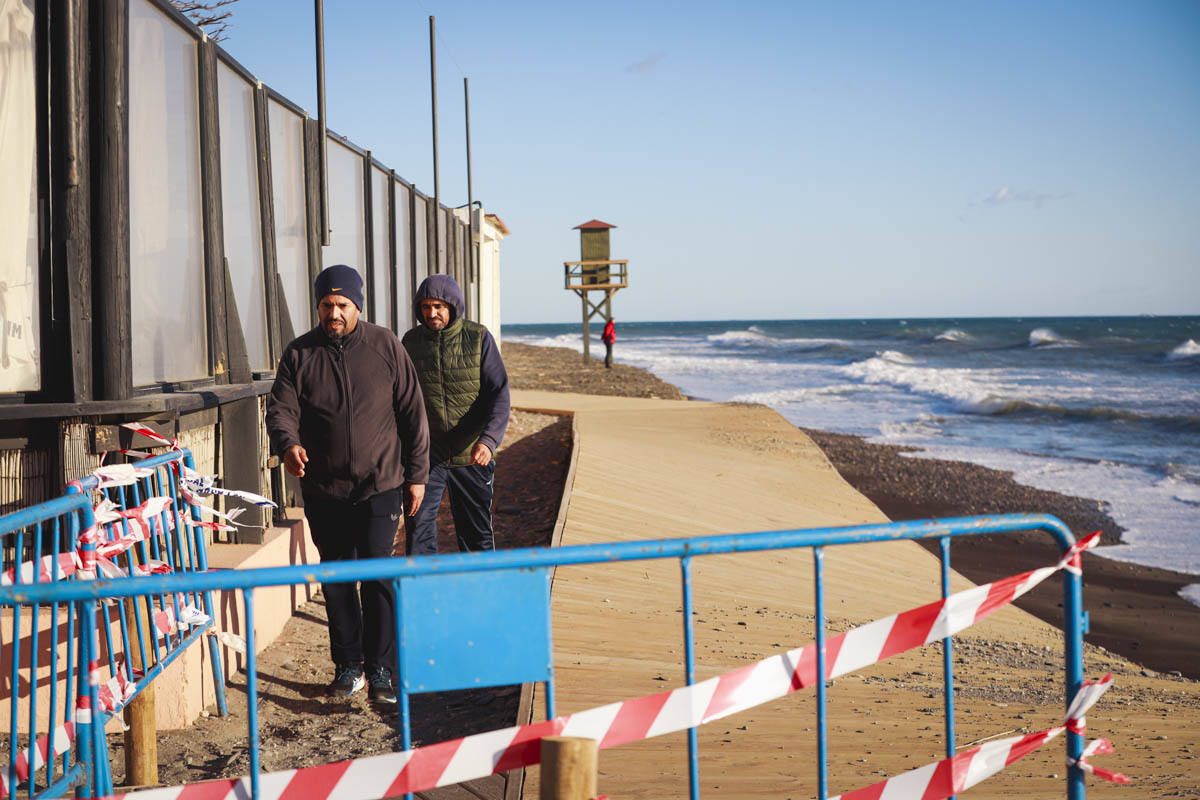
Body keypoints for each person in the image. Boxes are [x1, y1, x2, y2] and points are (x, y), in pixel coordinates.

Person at [266, 264, 429, 704]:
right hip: (325, 490)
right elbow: (281, 410)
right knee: (337, 578)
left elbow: (413, 415)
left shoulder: (385, 346)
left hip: (381, 484)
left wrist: (417, 476)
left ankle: (381, 671)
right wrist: (289, 444)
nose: (333, 312)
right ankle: (349, 666)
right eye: (326, 305)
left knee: (377, 576)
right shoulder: (299, 354)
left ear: (358, 305)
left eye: (342, 305)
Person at [402, 274, 509, 556]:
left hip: (471, 454)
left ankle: (481, 595)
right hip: (428, 456)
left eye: (438, 306)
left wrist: (488, 440)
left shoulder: (478, 338)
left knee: (477, 535)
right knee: (418, 529)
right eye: (425, 307)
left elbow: (499, 393)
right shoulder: (410, 342)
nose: (431, 313)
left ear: (452, 305)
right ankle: (423, 596)